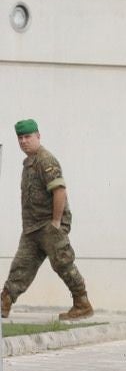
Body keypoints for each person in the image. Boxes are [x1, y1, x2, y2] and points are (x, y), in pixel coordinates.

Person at [2, 119, 93, 321]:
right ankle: (4, 302)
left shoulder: (46, 160)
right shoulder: (29, 163)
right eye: (20, 138)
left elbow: (59, 190)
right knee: (21, 266)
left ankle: (82, 303)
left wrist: (56, 222)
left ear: (38, 136)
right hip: (33, 228)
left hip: (48, 224)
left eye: (28, 137)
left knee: (63, 263)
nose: (24, 141)